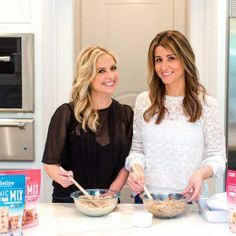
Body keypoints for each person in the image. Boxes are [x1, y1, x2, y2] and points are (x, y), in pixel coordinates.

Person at [125, 30, 226, 203]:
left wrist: (201, 174)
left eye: (171, 58)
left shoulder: (207, 104)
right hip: (148, 200)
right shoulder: (144, 101)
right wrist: (136, 169)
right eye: (158, 60)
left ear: (185, 59)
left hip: (189, 201)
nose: (164, 67)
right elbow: (137, 150)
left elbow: (217, 157)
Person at [42, 46, 133, 203]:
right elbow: (51, 164)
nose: (111, 75)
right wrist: (60, 177)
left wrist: (111, 193)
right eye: (101, 71)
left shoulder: (126, 114)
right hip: (69, 204)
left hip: (108, 203)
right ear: (87, 76)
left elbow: (127, 163)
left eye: (113, 68)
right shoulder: (65, 114)